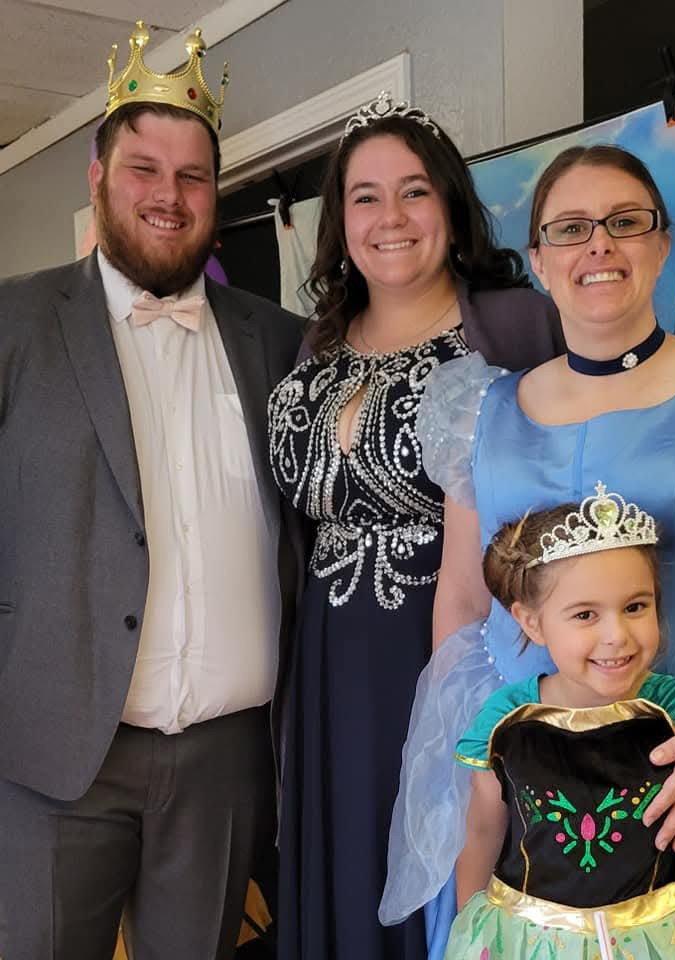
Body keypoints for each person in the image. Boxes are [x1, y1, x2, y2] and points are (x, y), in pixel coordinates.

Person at [382, 144, 675, 959]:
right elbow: (461, 597)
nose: (598, 244)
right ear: (539, 260)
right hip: (524, 762)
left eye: (625, 222)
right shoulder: (478, 411)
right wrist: (467, 748)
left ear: (662, 244)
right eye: (570, 228)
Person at [0, 22, 303, 960]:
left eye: (192, 177)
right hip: (54, 755)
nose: (168, 196)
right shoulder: (13, 322)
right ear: (98, 177)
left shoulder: (280, 342)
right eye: (144, 169)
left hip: (225, 765)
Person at [268, 92, 564, 960]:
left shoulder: (515, 325)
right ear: (341, 221)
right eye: (366, 196)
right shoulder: (318, 343)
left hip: (450, 644)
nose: (390, 217)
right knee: (345, 860)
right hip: (326, 659)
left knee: (442, 857)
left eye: (414, 192)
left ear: (451, 207)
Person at [445, 490, 675, 960]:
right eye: (585, 615)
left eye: (635, 607)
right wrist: (472, 939)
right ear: (531, 623)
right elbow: (482, 834)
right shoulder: (506, 721)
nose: (616, 636)